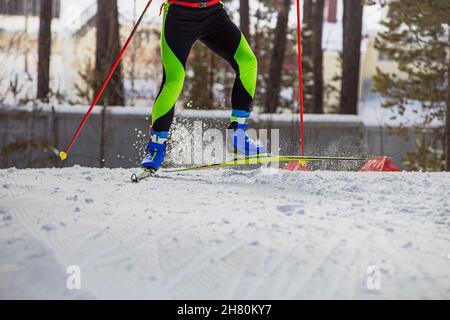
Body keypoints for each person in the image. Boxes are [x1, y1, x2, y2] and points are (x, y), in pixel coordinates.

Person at [141, 0, 266, 172]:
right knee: (174, 80)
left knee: (248, 62)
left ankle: (239, 134)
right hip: (179, 16)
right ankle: (155, 148)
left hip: (213, 14)